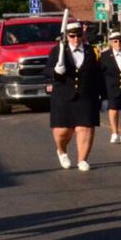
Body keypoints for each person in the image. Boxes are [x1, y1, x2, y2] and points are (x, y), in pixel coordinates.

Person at [45, 21, 105, 171]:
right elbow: (46, 70)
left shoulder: (92, 51)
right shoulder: (58, 51)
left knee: (85, 128)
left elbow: (98, 75)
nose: (76, 39)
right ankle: (62, 151)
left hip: (86, 96)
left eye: (79, 35)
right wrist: (55, 71)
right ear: (67, 36)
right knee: (62, 131)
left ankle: (82, 159)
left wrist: (104, 97)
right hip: (63, 96)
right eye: (72, 36)